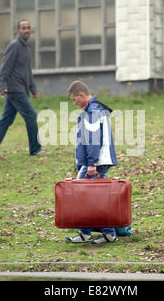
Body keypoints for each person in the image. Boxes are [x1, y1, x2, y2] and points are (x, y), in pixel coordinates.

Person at [64, 80, 118, 245]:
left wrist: (92, 164)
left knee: (83, 196)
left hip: (96, 161)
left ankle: (91, 233)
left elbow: (94, 140)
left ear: (81, 95)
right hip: (95, 160)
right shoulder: (94, 109)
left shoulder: (93, 111)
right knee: (91, 197)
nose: (74, 103)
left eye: (74, 99)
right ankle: (100, 233)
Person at [0, 20, 47, 159]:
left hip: (22, 88)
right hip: (15, 89)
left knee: (5, 120)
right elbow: (5, 67)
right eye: (23, 28)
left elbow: (27, 71)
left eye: (28, 28)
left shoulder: (26, 47)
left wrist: (33, 88)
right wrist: (2, 85)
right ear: (18, 31)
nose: (26, 30)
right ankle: (35, 149)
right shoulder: (14, 46)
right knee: (31, 115)